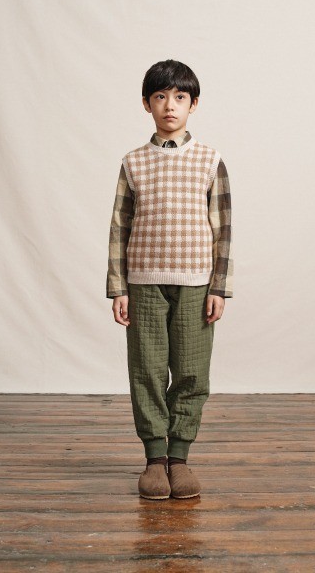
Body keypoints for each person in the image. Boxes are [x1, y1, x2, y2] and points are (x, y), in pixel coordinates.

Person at [106, 59, 233, 500]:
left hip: (196, 282)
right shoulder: (133, 162)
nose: (170, 105)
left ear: (194, 104)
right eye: (160, 97)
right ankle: (153, 459)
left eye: (180, 97)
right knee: (146, 369)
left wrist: (219, 286)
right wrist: (118, 286)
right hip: (143, 281)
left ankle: (179, 458)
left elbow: (223, 228)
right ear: (147, 104)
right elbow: (119, 227)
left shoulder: (210, 160)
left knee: (192, 370)